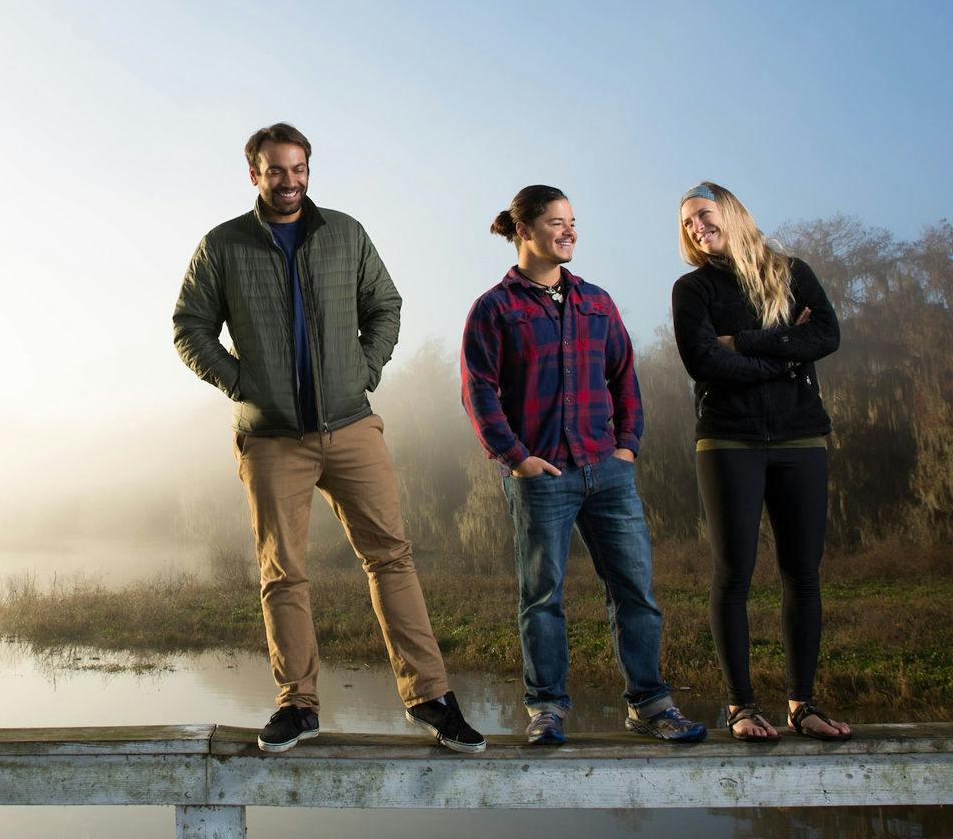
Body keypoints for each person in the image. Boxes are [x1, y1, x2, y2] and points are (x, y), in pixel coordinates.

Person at [173, 122, 485, 754]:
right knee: (282, 572)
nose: (289, 181)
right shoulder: (222, 245)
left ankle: (430, 697)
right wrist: (243, 384)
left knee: (391, 558)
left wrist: (364, 372)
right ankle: (298, 706)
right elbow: (189, 325)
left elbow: (385, 306)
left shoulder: (344, 232)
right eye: (276, 170)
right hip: (270, 439)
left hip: (350, 427)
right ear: (254, 174)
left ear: (309, 171)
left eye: (299, 169)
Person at [460, 185, 706, 745]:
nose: (568, 231)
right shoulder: (495, 308)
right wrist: (517, 458)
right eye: (555, 222)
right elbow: (480, 392)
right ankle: (546, 709)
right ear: (524, 232)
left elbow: (624, 378)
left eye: (572, 222)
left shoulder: (598, 301)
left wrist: (627, 445)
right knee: (542, 597)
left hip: (608, 471)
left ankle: (650, 704)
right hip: (542, 478)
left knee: (636, 592)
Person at [673, 182, 852, 742]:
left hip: (801, 437)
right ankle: (741, 707)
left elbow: (826, 334)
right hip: (728, 441)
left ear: (731, 211)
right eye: (688, 224)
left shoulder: (791, 271)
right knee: (734, 575)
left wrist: (743, 342)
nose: (697, 228)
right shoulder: (691, 289)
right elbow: (703, 361)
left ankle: (803, 705)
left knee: (803, 576)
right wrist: (782, 355)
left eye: (703, 215)